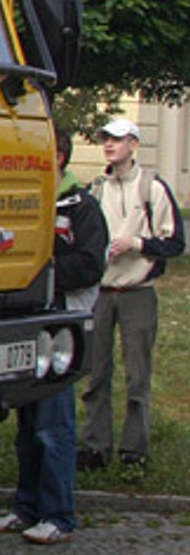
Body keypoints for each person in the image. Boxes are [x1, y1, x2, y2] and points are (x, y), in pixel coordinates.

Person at [0, 133, 106, 544]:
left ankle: (58, 515)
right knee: (29, 424)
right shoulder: (29, 202)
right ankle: (26, 508)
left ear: (58, 158)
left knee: (54, 425)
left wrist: (41, 273)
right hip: (28, 322)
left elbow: (90, 265)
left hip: (61, 327)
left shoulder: (81, 208)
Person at [81, 116, 183, 472]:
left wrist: (136, 243)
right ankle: (95, 446)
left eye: (117, 139)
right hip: (100, 291)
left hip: (137, 291)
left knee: (137, 374)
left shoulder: (152, 188)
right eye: (105, 139)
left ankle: (134, 450)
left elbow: (175, 243)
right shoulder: (96, 190)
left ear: (133, 145)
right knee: (95, 372)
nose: (109, 145)